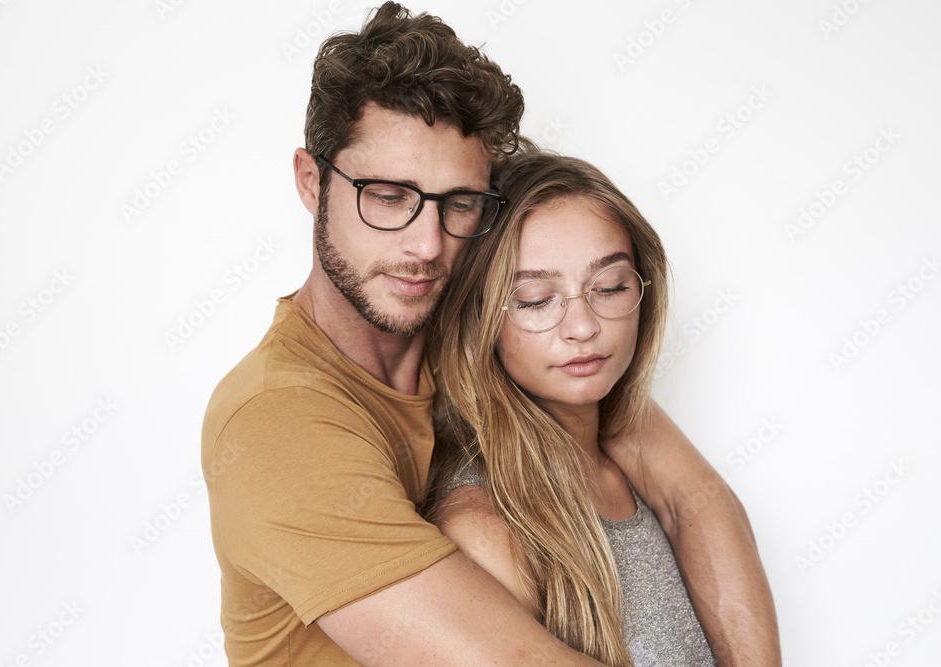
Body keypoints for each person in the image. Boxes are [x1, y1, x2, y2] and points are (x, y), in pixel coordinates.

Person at [201, 3, 779, 665]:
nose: (426, 244)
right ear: (312, 181)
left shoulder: (486, 328)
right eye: (388, 195)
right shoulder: (273, 421)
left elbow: (692, 498)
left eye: (458, 203)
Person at [423, 149, 745, 665]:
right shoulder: (485, 529)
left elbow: (702, 506)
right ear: (479, 317)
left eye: (610, 286)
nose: (583, 326)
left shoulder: (634, 458)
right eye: (534, 299)